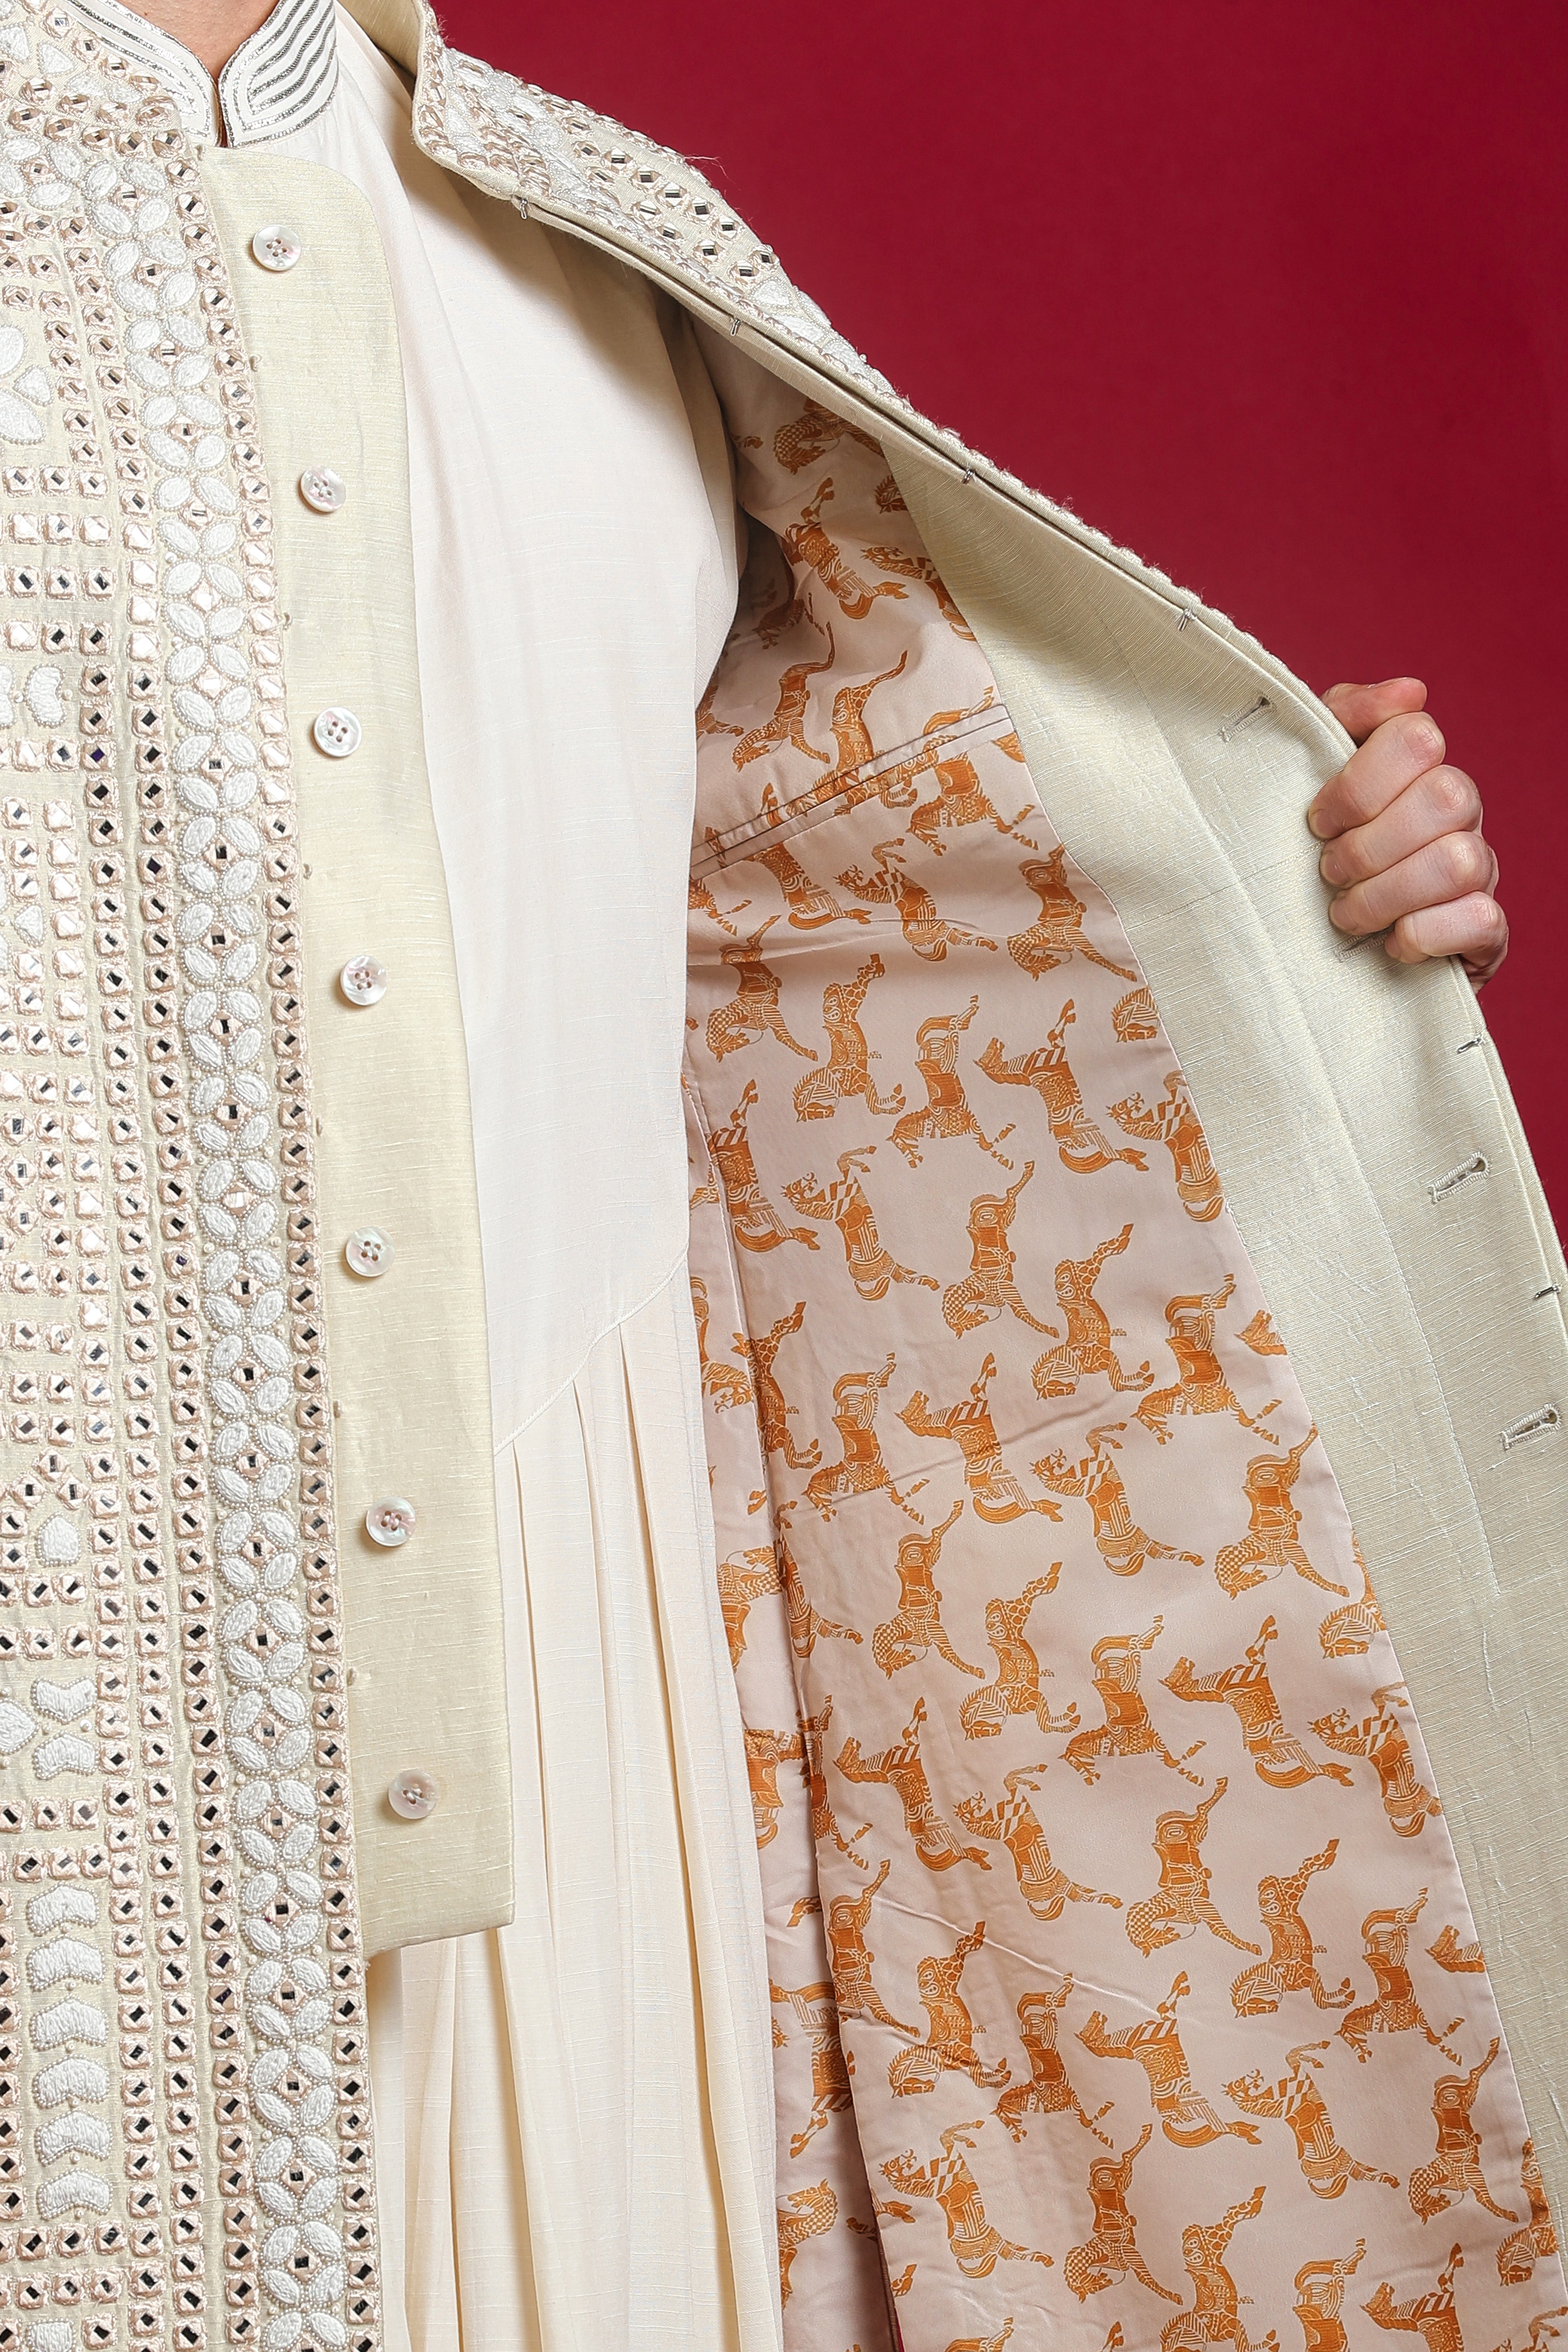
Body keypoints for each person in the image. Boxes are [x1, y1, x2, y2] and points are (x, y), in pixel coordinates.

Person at [0, 2, 1558, 2349]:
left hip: (608, 1768)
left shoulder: (583, 233)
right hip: (91, 1765)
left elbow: (820, 933)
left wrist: (1252, 864)